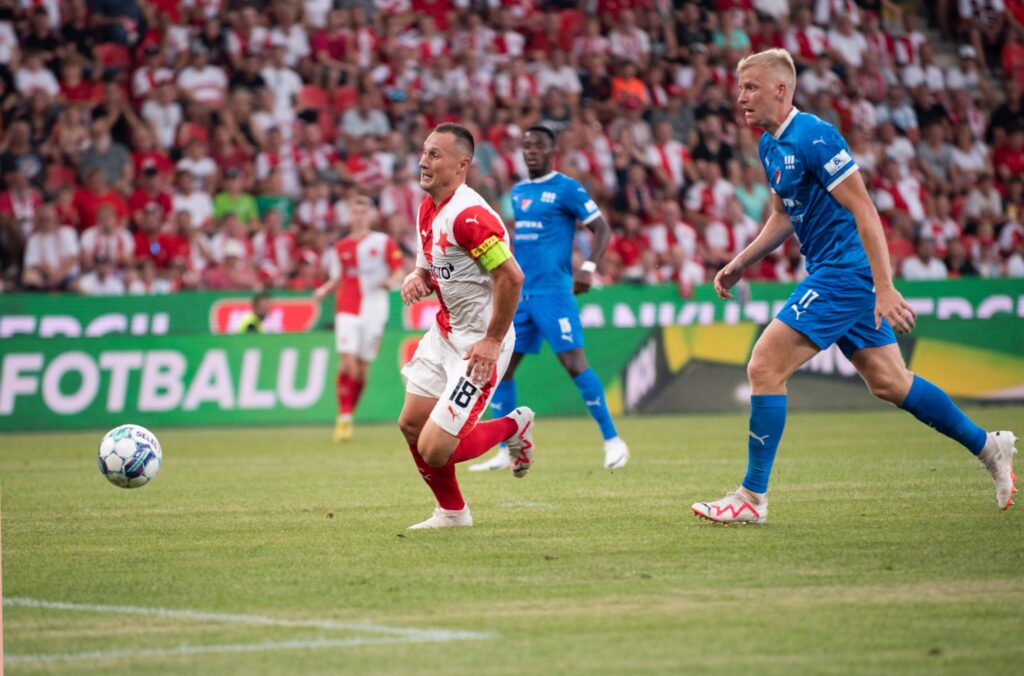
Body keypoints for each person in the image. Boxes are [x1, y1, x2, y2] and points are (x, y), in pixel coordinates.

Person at [692, 49, 1017, 525]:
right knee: (890, 382)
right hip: (832, 270)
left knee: (764, 366)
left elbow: (865, 209)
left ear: (781, 90)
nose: (740, 97)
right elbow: (784, 215)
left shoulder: (816, 136)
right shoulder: (770, 144)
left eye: (750, 88)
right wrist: (742, 261)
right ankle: (990, 448)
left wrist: (883, 286)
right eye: (741, 88)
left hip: (846, 273)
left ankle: (751, 498)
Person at [397, 123, 534, 530]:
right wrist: (417, 275)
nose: (423, 160)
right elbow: (431, 258)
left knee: (436, 449)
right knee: (410, 424)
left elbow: (511, 277)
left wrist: (492, 342)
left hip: (479, 345)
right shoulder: (429, 206)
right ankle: (453, 513)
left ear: (462, 165)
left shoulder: (470, 217)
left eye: (434, 155)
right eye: (424, 151)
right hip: (445, 333)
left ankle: (514, 424)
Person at [470, 126, 629, 473]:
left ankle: (612, 440)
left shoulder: (567, 188)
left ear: (552, 151)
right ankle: (503, 449)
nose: (531, 151)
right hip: (519, 296)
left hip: (554, 294)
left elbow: (601, 228)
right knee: (502, 370)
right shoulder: (519, 192)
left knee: (574, 364)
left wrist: (587, 267)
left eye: (539, 146)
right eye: (527, 146)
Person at [313, 195, 404, 442]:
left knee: (362, 370)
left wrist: (393, 281)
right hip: (347, 309)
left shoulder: (383, 242)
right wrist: (323, 290)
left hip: (375, 310)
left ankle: (349, 413)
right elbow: (337, 278)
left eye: (363, 212)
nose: (359, 216)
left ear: (371, 215)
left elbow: (398, 270)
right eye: (355, 211)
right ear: (349, 215)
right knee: (347, 363)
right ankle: (343, 417)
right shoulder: (340, 246)